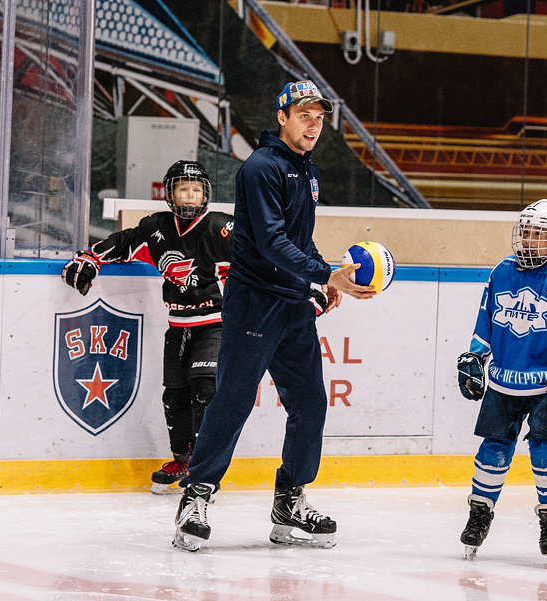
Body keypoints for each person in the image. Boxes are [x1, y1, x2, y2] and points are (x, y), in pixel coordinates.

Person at [171, 80, 376, 552]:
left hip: (293, 306)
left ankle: (290, 501)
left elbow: (298, 240)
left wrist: (323, 279)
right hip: (255, 303)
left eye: (320, 117)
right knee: (234, 400)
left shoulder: (309, 171)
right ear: (282, 116)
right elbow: (270, 242)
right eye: (304, 114)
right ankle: (196, 496)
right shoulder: (261, 168)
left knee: (310, 405)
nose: (313, 123)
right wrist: (325, 273)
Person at [62, 160, 233, 494]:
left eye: (196, 189)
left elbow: (259, 259)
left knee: (205, 389)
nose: (190, 196)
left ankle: (203, 467)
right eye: (183, 188)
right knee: (175, 395)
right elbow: (121, 243)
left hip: (216, 323)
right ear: (170, 194)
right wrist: (88, 259)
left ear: (206, 194)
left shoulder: (221, 227)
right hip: (178, 324)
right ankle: (183, 458)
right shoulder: (157, 228)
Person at [456, 199, 547, 567]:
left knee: (546, 453)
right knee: (492, 451)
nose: (528, 240)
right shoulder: (502, 271)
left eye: (539, 234)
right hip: (504, 382)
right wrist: (474, 357)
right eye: (526, 231)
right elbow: (486, 318)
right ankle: (479, 513)